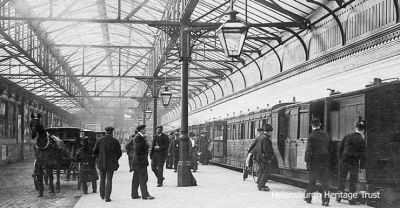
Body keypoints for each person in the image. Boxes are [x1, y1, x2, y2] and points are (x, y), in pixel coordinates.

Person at [337, 121, 366, 205]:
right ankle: (351, 200)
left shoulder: (347, 136)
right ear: (363, 130)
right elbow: (363, 154)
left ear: (356, 128)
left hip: (344, 160)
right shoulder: (361, 139)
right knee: (353, 181)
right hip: (354, 162)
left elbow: (340, 149)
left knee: (342, 178)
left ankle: (339, 196)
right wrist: (361, 167)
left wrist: (341, 159)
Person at [304, 118, 331, 207]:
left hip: (315, 162)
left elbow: (308, 150)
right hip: (325, 161)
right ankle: (326, 201)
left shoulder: (311, 136)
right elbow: (330, 148)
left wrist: (307, 161)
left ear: (312, 126)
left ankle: (308, 198)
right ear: (320, 125)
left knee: (312, 180)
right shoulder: (326, 135)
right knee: (325, 182)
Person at [93, 126, 122, 202]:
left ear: (106, 132)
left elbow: (95, 152)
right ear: (112, 132)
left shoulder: (99, 140)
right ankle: (107, 197)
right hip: (111, 164)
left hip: (101, 163)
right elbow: (119, 153)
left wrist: (99, 159)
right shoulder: (115, 141)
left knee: (102, 179)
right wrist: (115, 159)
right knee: (109, 180)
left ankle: (102, 195)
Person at [129, 125, 155, 200]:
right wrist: (145, 151)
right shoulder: (138, 138)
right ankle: (145, 194)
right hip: (140, 161)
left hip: (137, 161)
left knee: (136, 178)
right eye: (144, 129)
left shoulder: (138, 137)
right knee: (143, 178)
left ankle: (134, 194)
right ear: (141, 130)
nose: (145, 130)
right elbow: (138, 149)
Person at [248, 126, 275, 191]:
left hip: (259, 158)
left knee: (261, 171)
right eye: (271, 132)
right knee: (266, 172)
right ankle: (261, 186)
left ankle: (260, 184)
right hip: (264, 158)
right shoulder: (266, 138)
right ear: (269, 131)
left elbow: (253, 145)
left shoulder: (259, 137)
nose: (271, 133)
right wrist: (269, 158)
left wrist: (249, 151)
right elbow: (266, 150)